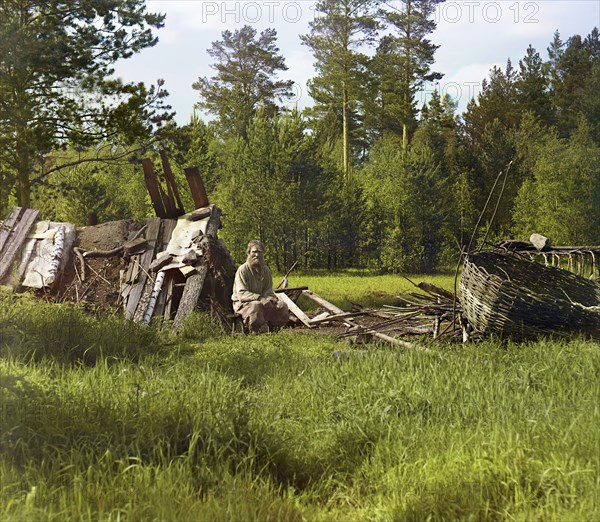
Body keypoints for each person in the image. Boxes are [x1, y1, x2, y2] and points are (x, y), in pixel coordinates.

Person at [231, 240, 289, 333]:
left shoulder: (266, 270)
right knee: (256, 305)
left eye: (259, 252)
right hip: (243, 304)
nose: (257, 255)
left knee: (282, 306)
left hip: (263, 302)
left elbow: (269, 290)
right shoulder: (243, 270)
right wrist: (261, 299)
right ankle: (254, 330)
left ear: (263, 254)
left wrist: (269, 300)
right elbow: (242, 294)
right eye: (254, 252)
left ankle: (273, 330)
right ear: (248, 253)